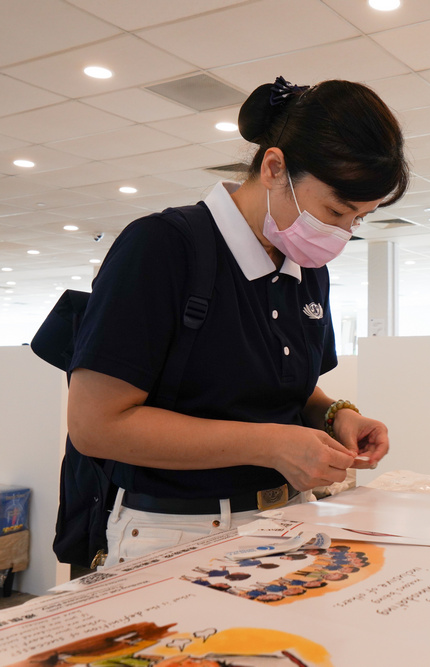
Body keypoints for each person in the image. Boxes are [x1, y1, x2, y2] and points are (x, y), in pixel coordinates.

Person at [66, 76, 409, 565]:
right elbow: (96, 426)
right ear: (274, 167)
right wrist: (270, 444)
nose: (342, 233)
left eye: (360, 218)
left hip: (291, 518)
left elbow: (283, 383)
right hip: (178, 531)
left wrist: (336, 416)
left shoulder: (305, 267)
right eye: (336, 210)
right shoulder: (164, 247)